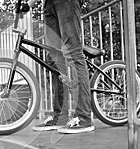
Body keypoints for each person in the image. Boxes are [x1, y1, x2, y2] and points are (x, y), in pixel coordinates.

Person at [26, 0, 94, 134]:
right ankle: (60, 117)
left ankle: (84, 117)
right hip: (48, 4)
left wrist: (28, 4)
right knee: (55, 59)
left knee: (73, 53)